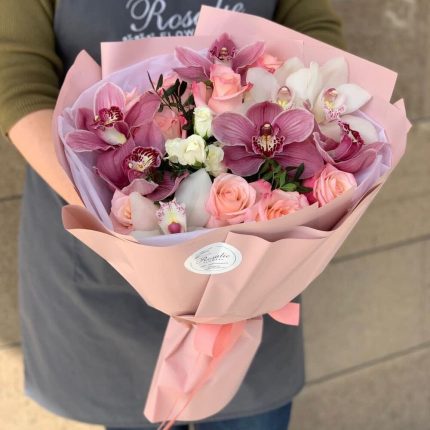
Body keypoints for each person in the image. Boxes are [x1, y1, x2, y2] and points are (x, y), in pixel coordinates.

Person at [0, 1, 345, 429]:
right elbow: (17, 77)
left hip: (249, 263)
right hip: (106, 255)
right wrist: (119, 217)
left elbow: (312, 29)